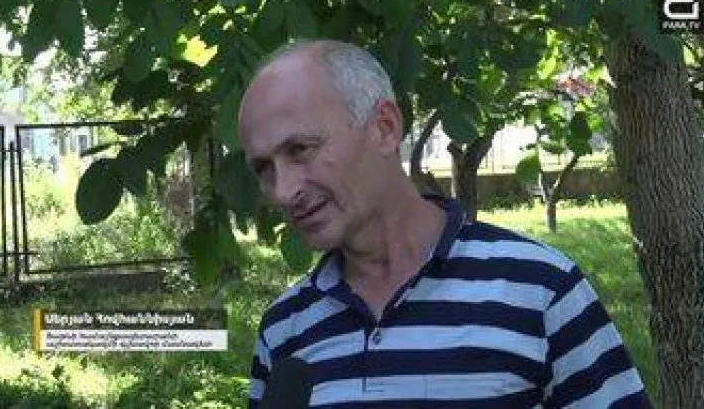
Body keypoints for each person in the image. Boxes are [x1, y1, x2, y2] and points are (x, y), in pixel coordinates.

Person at [238, 39, 652, 408]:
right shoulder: (284, 329)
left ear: (384, 128)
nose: (283, 191)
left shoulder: (541, 289)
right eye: (263, 169)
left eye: (300, 149)